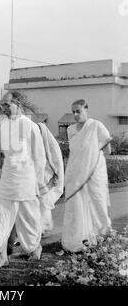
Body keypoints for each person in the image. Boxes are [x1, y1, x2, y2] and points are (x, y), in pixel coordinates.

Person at [0, 92, 47, 270]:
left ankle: (36, 247)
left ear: (17, 104)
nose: (4, 108)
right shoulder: (2, 125)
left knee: (28, 216)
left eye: (7, 105)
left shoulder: (30, 126)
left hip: (26, 177)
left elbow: (39, 155)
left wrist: (39, 181)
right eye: (2, 105)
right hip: (8, 176)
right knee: (2, 216)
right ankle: (3, 257)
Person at [61, 99, 112, 253]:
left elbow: (107, 150)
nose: (76, 114)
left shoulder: (96, 126)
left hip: (94, 174)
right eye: (73, 111)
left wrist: (92, 160)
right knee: (75, 206)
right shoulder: (70, 129)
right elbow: (73, 152)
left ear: (86, 110)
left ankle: (101, 236)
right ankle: (79, 238)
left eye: (79, 111)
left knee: (97, 204)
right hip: (75, 174)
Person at [37, 122, 64, 235]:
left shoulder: (50, 144)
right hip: (36, 176)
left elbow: (56, 159)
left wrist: (57, 174)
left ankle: (45, 227)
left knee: (44, 202)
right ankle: (40, 227)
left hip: (48, 175)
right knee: (38, 202)